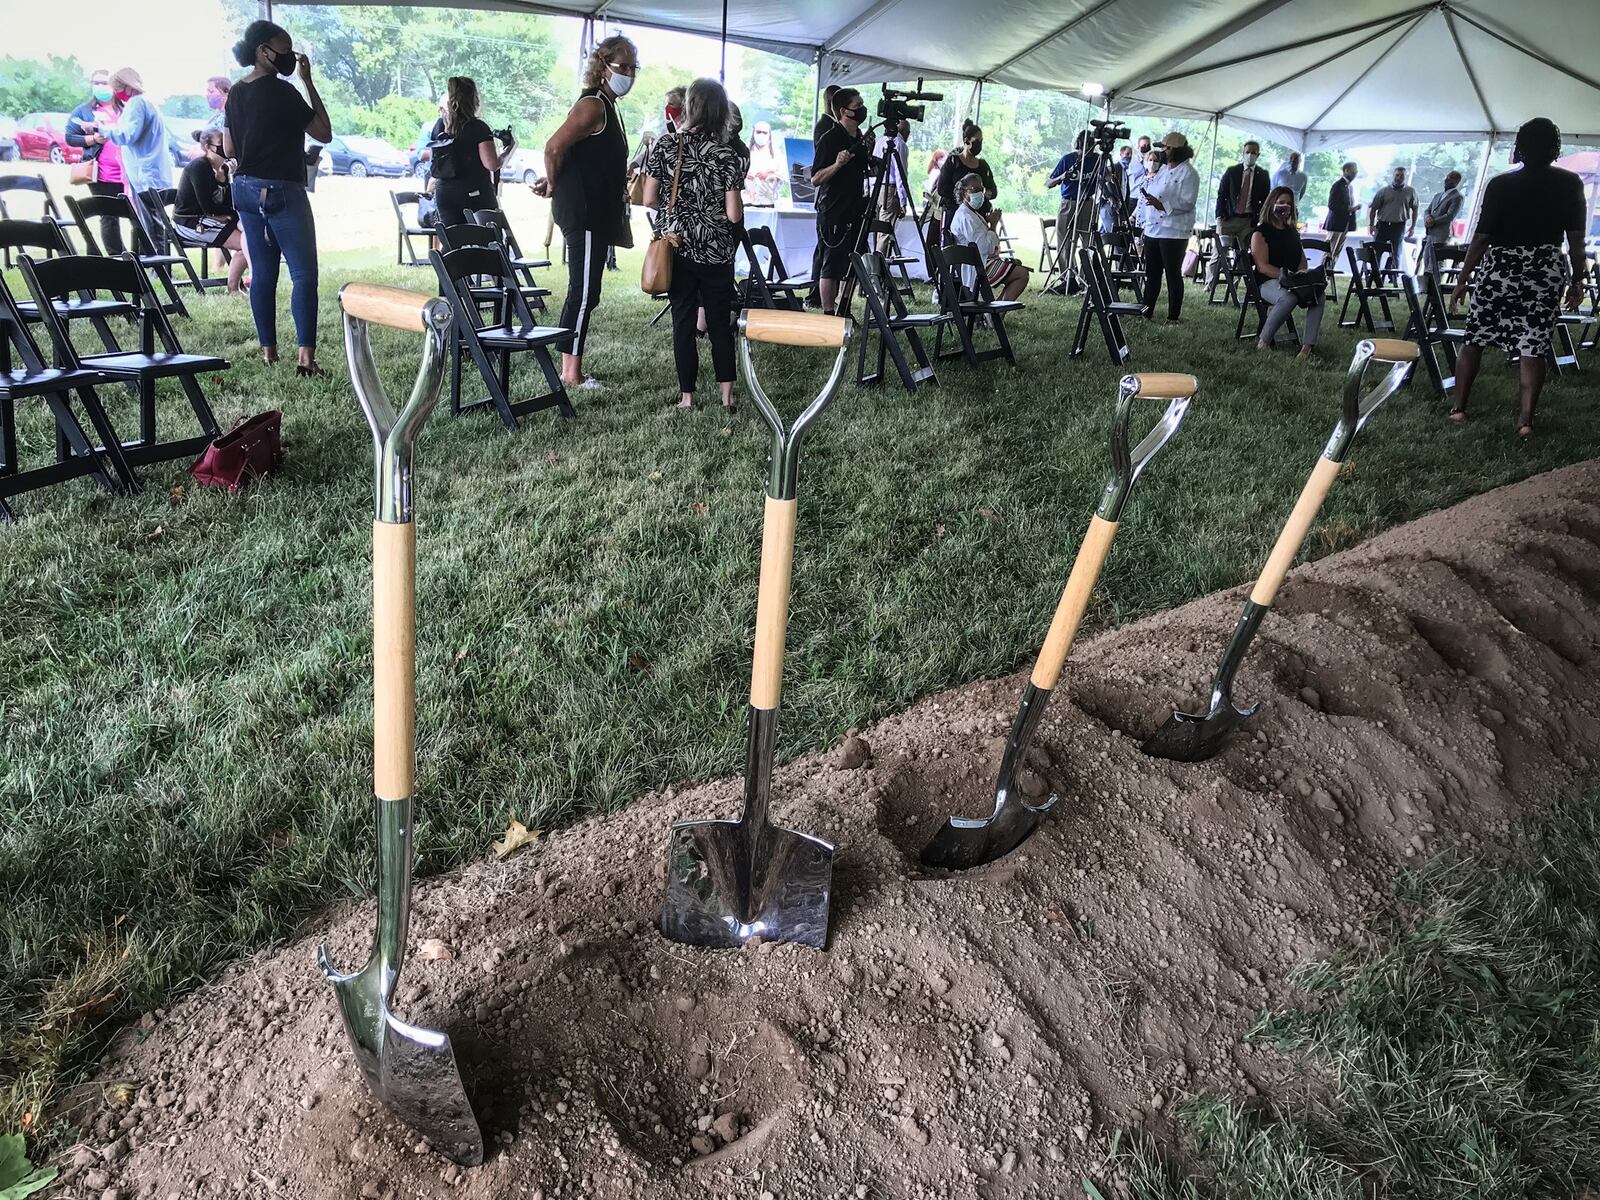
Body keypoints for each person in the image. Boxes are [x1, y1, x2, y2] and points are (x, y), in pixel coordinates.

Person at [1447, 118, 1587, 437]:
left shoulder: (1500, 185)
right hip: (1544, 269)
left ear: (1519, 148)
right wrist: (1577, 279)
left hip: (1500, 269)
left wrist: (1463, 278)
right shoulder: (1570, 183)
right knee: (1533, 346)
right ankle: (1525, 422)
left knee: (1474, 340)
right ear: (1555, 148)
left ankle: (1459, 409)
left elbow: (1481, 238)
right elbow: (1576, 239)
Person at [224, 20, 332, 374]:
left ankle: (268, 352)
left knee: (264, 271)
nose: (289, 57)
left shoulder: (236, 93)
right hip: (283, 188)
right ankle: (306, 359)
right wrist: (308, 81)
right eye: (284, 50)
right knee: (303, 274)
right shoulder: (285, 93)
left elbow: (228, 146)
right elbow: (323, 132)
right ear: (262, 51)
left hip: (244, 188)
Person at [534, 34, 636, 391]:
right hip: (585, 212)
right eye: (622, 66)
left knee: (587, 291)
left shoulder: (609, 107)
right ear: (602, 67)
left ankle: (571, 368)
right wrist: (553, 181)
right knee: (583, 291)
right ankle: (570, 373)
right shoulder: (593, 105)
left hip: (596, 210)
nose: (629, 73)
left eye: (632, 67)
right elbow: (553, 147)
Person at [642, 78, 744, 411]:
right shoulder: (728, 155)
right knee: (718, 324)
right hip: (716, 250)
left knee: (683, 321)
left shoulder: (666, 144)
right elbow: (733, 214)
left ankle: (687, 397)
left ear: (690, 106)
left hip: (677, 246)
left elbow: (648, 198)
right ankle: (726, 395)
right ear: (719, 112)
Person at [809, 86, 871, 316]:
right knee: (831, 265)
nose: (862, 110)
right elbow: (815, 178)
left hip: (856, 209)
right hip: (834, 210)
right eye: (858, 106)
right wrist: (837, 164)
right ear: (844, 111)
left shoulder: (860, 137)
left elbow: (864, 170)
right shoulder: (830, 138)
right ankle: (828, 311)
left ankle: (843, 308)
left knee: (851, 263)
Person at [426, 76, 513, 229]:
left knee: (453, 241)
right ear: (474, 99)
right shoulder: (478, 127)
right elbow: (491, 164)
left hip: (444, 193)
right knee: (488, 240)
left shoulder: (440, 125)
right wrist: (507, 150)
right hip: (474, 194)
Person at [1249, 185, 1323, 359]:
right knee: (1288, 297)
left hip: (1293, 280)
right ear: (1272, 204)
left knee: (1318, 295)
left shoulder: (1292, 232)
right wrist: (1287, 277)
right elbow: (1262, 266)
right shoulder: (1260, 233)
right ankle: (1264, 342)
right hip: (1267, 282)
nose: (1285, 206)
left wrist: (1302, 274)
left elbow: (1302, 261)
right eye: (1281, 202)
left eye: (1289, 203)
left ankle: (1307, 347)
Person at [175, 128, 248, 293]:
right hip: (190, 224)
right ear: (208, 147)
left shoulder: (219, 169)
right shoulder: (199, 167)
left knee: (249, 238)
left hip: (206, 219)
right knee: (248, 243)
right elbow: (208, 207)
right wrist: (230, 215)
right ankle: (233, 288)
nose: (227, 149)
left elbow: (228, 202)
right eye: (221, 145)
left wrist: (223, 180)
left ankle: (235, 286)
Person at [1137, 133, 1199, 324]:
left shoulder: (1189, 173)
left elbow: (1187, 202)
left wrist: (1162, 204)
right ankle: (1146, 311)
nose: (1162, 151)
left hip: (1174, 231)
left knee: (1172, 274)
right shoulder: (1163, 170)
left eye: (1165, 148)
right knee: (1152, 273)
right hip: (1153, 230)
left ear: (1175, 150)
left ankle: (1173, 316)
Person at [64, 70, 126, 254]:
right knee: (109, 215)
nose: (100, 86)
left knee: (135, 215)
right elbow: (70, 137)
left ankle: (142, 255)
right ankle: (117, 256)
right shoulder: (84, 110)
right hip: (101, 173)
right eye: (96, 82)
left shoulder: (125, 108)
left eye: (104, 82)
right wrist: (92, 139)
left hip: (128, 172)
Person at [948, 171, 1029, 301]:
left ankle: (995, 313)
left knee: (1017, 266)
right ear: (964, 192)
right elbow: (984, 248)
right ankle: (997, 314)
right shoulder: (966, 217)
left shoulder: (971, 213)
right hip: (978, 266)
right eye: (975, 190)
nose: (980, 194)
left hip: (982, 262)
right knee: (1021, 274)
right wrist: (993, 225)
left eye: (981, 190)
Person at [1211, 140, 1271, 287]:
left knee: (1243, 254)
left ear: (1258, 155)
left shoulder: (1263, 175)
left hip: (1247, 221)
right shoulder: (1232, 171)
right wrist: (1220, 214)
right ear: (1243, 153)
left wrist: (1259, 220)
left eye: (1253, 152)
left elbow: (1265, 200)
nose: (1250, 155)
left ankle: (1235, 284)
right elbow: (1221, 194)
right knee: (1220, 252)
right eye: (1247, 152)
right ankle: (1211, 283)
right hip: (1228, 219)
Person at [1046, 130, 1101, 291]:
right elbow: (1048, 182)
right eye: (1084, 145)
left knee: (1088, 242)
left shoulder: (1097, 160)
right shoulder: (1068, 159)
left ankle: (1086, 279)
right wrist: (1061, 177)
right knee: (1065, 242)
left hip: (1087, 202)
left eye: (1090, 146)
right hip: (1068, 203)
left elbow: (1107, 178)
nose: (1087, 150)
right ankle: (1068, 280)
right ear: (1078, 144)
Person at [936, 122, 997, 237]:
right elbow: (942, 188)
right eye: (976, 141)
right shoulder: (953, 162)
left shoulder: (983, 166)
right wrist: (964, 196)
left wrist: (988, 193)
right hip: (955, 213)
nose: (979, 144)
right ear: (966, 141)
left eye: (981, 141)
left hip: (977, 217)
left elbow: (993, 189)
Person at [1368, 167, 1417, 272]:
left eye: (1401, 175)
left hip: (1399, 226)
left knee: (1396, 252)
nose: (1399, 177)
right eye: (1397, 175)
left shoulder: (1410, 191)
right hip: (1382, 225)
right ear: (1393, 175)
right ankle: (1374, 273)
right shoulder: (1383, 191)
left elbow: (1415, 209)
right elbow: (1373, 209)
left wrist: (1413, 226)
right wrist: (1371, 225)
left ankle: (1393, 276)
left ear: (1405, 176)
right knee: (1377, 250)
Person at [1421, 170, 1464, 277]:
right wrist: (1427, 217)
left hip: (1442, 234)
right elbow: (1428, 210)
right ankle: (1425, 286)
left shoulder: (1457, 197)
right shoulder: (1438, 195)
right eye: (1447, 177)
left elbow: (1450, 216)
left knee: (1437, 262)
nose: (1447, 179)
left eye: (1451, 178)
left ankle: (1435, 288)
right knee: (1427, 259)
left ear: (1457, 181)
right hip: (1430, 233)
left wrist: (1433, 221)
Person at [1322, 161, 1360, 262]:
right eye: (1353, 171)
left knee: (1337, 251)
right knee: (1329, 249)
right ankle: (1322, 272)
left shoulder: (1350, 187)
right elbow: (1332, 205)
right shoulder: (1338, 185)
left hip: (1345, 224)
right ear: (1346, 171)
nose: (1355, 174)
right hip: (1336, 223)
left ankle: (1330, 273)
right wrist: (1349, 209)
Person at [744, 120, 782, 205]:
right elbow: (735, 173)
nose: (761, 135)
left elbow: (782, 177)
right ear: (753, 133)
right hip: (747, 199)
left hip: (768, 200)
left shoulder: (777, 154)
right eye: (758, 132)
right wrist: (745, 174)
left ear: (769, 135)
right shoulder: (744, 151)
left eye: (765, 133)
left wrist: (768, 175)